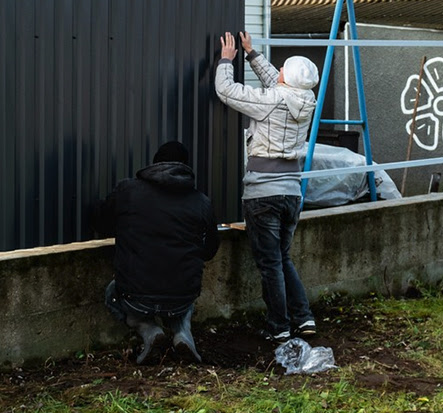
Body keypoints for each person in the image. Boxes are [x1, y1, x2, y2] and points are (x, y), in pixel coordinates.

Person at [214, 31, 319, 342]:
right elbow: (280, 81)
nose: (280, 71)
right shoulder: (307, 100)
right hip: (291, 193)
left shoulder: (272, 100)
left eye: (283, 68)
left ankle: (279, 326)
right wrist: (252, 54)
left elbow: (227, 91)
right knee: (283, 259)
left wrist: (226, 61)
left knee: (270, 264)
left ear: (287, 77)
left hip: (264, 193)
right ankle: (304, 318)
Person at [95, 141, 219, 364]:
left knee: (112, 294)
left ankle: (150, 330)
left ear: (154, 164)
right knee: (184, 293)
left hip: (136, 297)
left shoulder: (127, 191)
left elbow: (102, 222)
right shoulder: (201, 202)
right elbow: (209, 251)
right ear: (185, 168)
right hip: (182, 296)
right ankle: (183, 334)